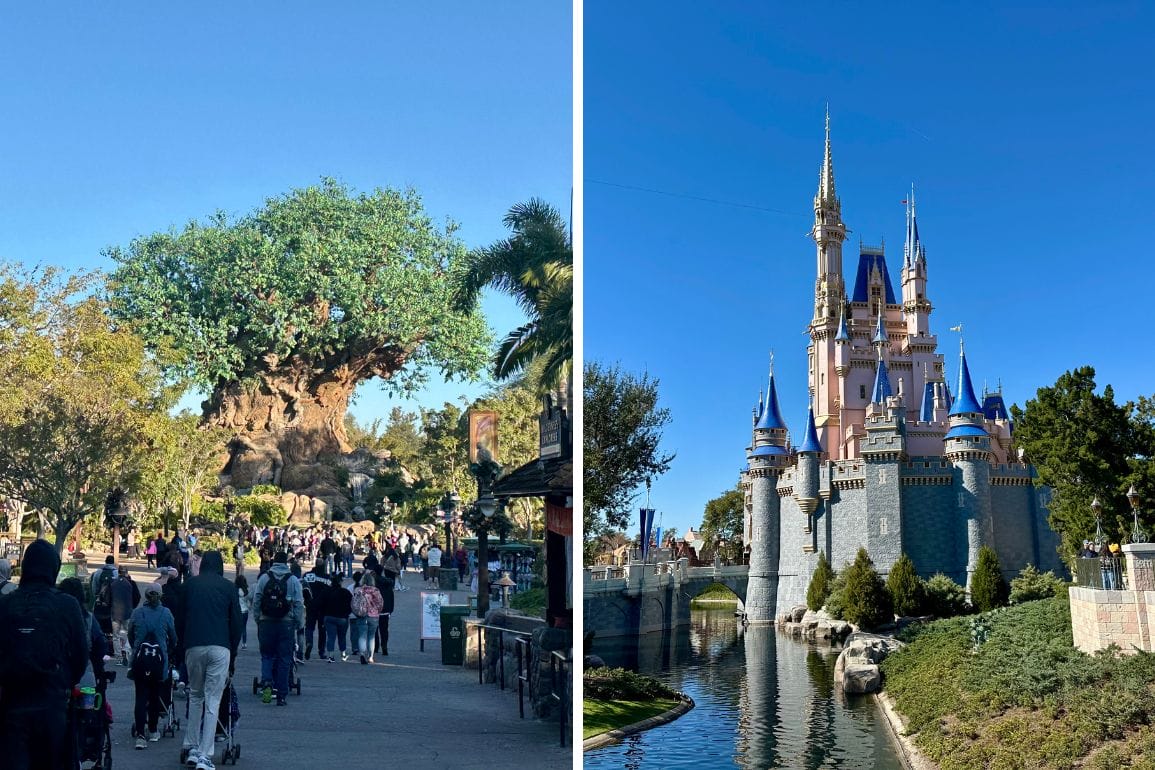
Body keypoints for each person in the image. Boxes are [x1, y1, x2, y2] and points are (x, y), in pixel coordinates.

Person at [0, 539, 89, 770]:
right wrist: (66, 680)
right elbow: (81, 654)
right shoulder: (67, 605)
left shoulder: (6, 603)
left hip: (12, 702)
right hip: (52, 701)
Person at [176, 550, 242, 770]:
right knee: (213, 700)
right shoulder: (229, 587)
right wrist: (232, 654)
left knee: (195, 695)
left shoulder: (190, 585)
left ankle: (191, 745)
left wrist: (180, 648)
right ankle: (205, 753)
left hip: (193, 645)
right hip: (220, 646)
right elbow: (236, 624)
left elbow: (179, 618)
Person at [127, 583, 177, 750]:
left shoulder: (137, 613)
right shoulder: (166, 613)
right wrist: (168, 650)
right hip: (158, 661)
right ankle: (153, 729)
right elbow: (173, 637)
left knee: (140, 696)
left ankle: (140, 735)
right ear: (160, 596)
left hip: (140, 661)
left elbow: (130, 634)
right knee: (155, 695)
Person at [252, 552, 304, 705]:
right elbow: (299, 604)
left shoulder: (264, 578)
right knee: (284, 659)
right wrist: (297, 622)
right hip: (286, 624)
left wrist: (258, 619)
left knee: (267, 656)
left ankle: (267, 685)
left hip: (266, 623)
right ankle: (281, 694)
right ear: (286, 563)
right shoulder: (293, 580)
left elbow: (257, 600)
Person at [112, 564, 142, 665]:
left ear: (118, 572)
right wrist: (133, 606)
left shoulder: (113, 583)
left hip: (115, 612)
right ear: (126, 572)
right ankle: (127, 651)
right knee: (128, 632)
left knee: (116, 635)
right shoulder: (131, 583)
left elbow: (107, 597)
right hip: (128, 611)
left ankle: (118, 656)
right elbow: (137, 596)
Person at [351, 571, 384, 664]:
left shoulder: (358, 590)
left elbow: (353, 603)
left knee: (362, 635)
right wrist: (378, 611)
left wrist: (356, 612)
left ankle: (362, 654)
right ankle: (370, 657)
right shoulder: (376, 591)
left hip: (361, 615)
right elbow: (380, 603)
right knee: (371, 636)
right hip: (373, 616)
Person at [301, 558, 329, 660]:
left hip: (310, 605)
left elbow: (303, 588)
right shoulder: (327, 577)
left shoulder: (307, 575)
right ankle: (321, 651)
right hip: (323, 607)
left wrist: (305, 601)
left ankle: (309, 642)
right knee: (322, 629)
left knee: (309, 626)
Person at [321, 573, 352, 662]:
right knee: (342, 637)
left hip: (329, 616)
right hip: (342, 617)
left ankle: (331, 656)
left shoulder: (326, 591)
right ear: (340, 582)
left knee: (331, 637)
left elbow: (321, 604)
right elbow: (351, 604)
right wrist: (347, 613)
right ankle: (343, 654)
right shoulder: (345, 592)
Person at [235, 574, 251, 650]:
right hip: (245, 611)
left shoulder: (236, 590)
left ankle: (235, 642)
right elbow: (249, 601)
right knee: (244, 628)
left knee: (236, 627)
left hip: (238, 611)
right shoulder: (247, 590)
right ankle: (244, 643)